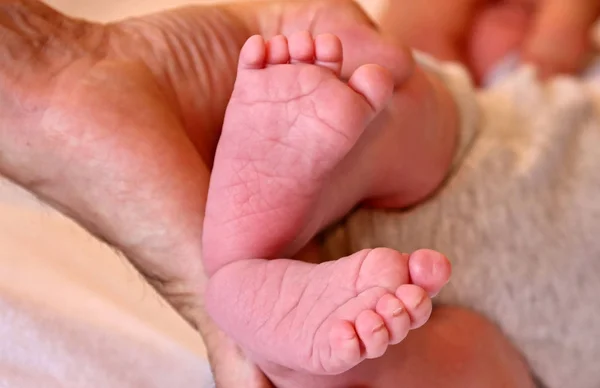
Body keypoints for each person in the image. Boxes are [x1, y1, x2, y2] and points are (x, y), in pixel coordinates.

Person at [1, 0, 599, 387]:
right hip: (529, 328)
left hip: (509, 211)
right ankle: (296, 324)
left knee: (411, 114)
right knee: (424, 114)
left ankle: (306, 207)